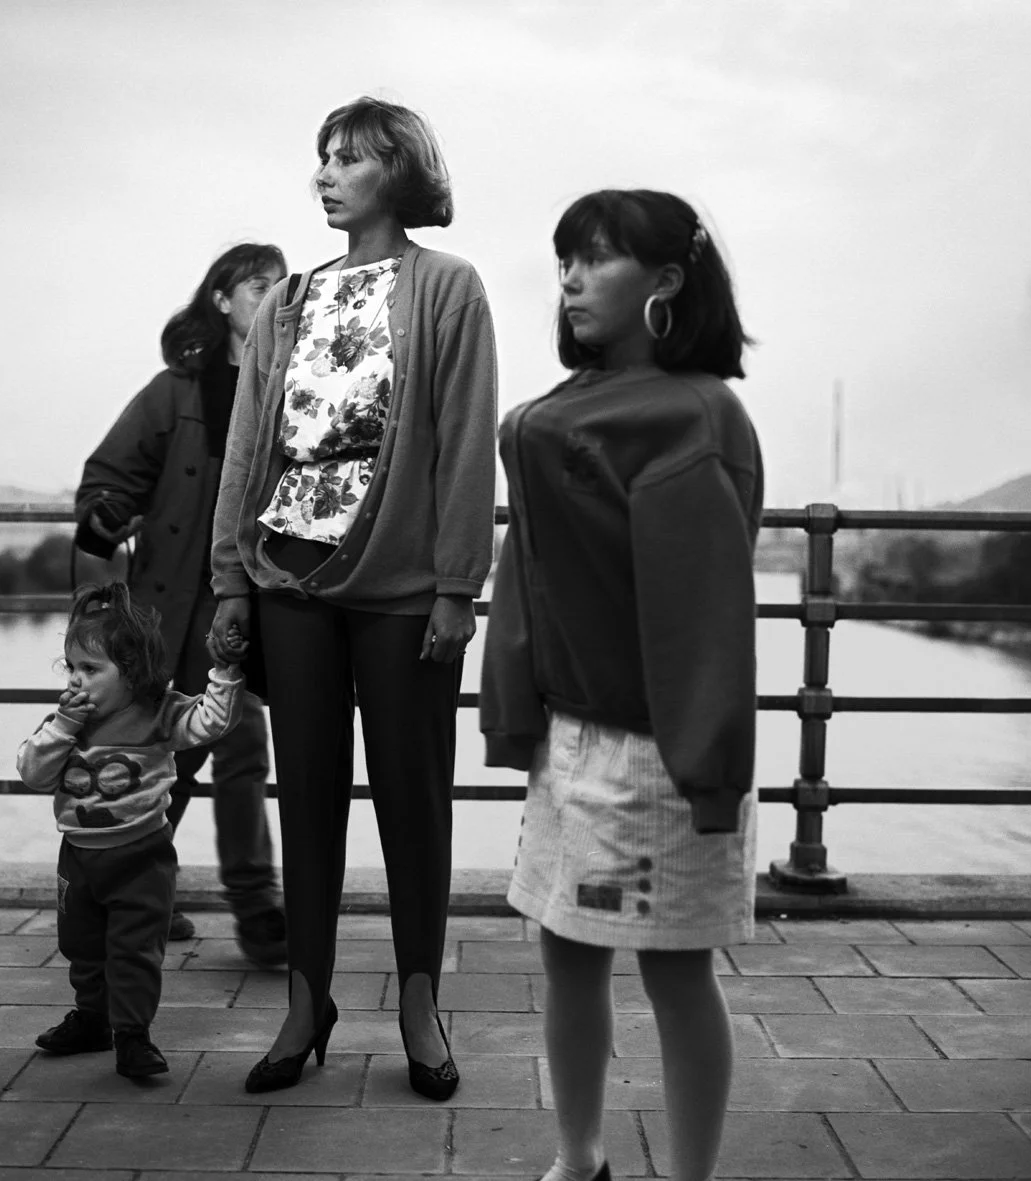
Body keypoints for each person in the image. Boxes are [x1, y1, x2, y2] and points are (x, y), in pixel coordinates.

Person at [208, 96, 498, 1098]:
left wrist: (459, 585)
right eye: (320, 157)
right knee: (310, 798)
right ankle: (306, 1000)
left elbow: (464, 443)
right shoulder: (288, 299)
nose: (324, 174)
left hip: (406, 588)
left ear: (401, 172)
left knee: (413, 801)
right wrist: (229, 577)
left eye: (349, 158)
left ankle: (419, 1001)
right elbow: (249, 442)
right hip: (288, 574)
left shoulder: (447, 288)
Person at [480, 190, 762, 1181]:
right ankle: (578, 1157)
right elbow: (524, 576)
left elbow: (704, 618)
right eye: (563, 258)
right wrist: (512, 713)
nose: (567, 277)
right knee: (563, 951)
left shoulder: (690, 416)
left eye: (594, 258)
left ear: (666, 282)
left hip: (657, 753)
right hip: (568, 736)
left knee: (675, 971)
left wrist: (708, 773)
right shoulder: (557, 414)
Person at [74, 243, 289, 965]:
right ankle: (139, 896)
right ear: (223, 300)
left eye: (279, 284)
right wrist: (106, 510)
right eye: (258, 283)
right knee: (165, 759)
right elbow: (110, 475)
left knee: (239, 748)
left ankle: (257, 910)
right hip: (165, 605)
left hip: (245, 603)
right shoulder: (175, 390)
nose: (273, 292)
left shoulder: (294, 384)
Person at [17, 581, 246, 1079]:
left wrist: (225, 673)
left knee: (134, 950)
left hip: (142, 857)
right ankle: (92, 1018)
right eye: (72, 667)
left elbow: (211, 722)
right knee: (82, 945)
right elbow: (32, 773)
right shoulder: (64, 725)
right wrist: (61, 727)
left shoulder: (159, 715)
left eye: (91, 669)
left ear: (132, 674)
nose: (77, 680)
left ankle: (132, 1035)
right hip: (78, 857)